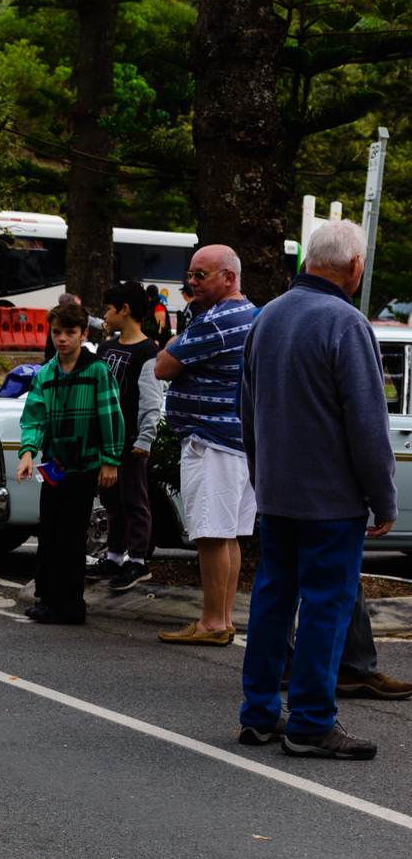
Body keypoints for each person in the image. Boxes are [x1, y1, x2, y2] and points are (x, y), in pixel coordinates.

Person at [236, 218, 397, 759]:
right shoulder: (346, 323)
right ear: (354, 266)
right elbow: (368, 425)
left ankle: (259, 714)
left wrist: (261, 478)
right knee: (326, 605)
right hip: (330, 497)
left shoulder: (267, 317)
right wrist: (383, 497)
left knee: (272, 599)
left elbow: (248, 411)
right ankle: (310, 722)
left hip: (278, 492)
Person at [154, 244, 258, 645]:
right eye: (191, 274)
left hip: (210, 441)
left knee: (212, 534)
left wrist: (178, 340)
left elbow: (163, 366)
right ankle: (224, 618)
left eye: (201, 275)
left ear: (228, 278)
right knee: (228, 533)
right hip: (236, 440)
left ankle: (212, 623)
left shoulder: (214, 321)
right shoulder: (250, 313)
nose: (191, 282)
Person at [15, 300, 124, 626]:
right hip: (55, 466)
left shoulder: (97, 371)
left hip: (85, 466)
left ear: (83, 334)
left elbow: (110, 416)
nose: (62, 338)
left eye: (70, 332)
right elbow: (34, 416)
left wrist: (110, 460)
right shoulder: (46, 373)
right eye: (57, 332)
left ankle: (70, 606)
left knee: (70, 536)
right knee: (48, 532)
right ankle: (47, 598)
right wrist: (28, 453)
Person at [89, 281, 164, 593]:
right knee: (112, 502)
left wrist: (145, 438)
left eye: (109, 309)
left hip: (130, 441)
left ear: (125, 311)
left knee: (134, 501)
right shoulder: (106, 348)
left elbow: (151, 399)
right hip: (106, 442)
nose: (105, 314)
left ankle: (138, 561)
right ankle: (116, 557)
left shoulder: (148, 351)